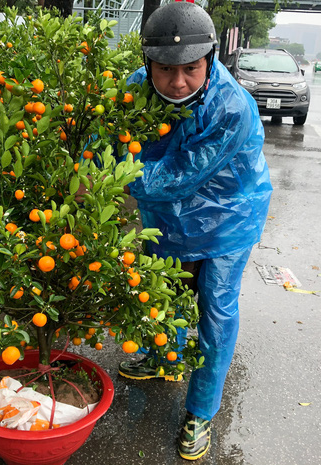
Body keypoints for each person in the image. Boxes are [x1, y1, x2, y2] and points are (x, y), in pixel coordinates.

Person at [117, 1, 273, 461]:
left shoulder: (230, 107)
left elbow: (177, 177)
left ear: (209, 61)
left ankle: (201, 411)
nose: (178, 81)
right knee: (161, 295)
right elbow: (102, 141)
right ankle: (163, 358)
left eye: (190, 68)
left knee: (215, 310)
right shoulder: (135, 91)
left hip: (227, 219)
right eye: (165, 69)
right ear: (149, 65)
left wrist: (106, 179)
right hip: (166, 218)